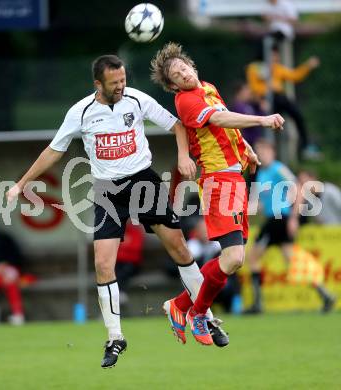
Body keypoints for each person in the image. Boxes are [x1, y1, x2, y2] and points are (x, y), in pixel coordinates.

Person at [5, 54, 225, 368]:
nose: (121, 86)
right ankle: (115, 337)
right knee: (103, 264)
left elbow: (176, 125)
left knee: (179, 248)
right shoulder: (80, 112)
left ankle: (205, 316)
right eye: (114, 83)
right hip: (108, 191)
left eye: (123, 79)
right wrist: (21, 184)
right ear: (98, 84)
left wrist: (182, 156)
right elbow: (53, 150)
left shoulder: (136, 99)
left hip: (143, 182)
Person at [150, 42, 284, 346]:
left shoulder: (208, 87)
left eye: (183, 67)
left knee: (234, 259)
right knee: (234, 256)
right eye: (175, 74)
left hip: (235, 178)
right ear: (172, 86)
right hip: (217, 182)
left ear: (192, 67)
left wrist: (244, 147)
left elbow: (223, 122)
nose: (182, 73)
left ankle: (181, 306)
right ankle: (197, 313)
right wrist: (261, 121)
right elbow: (220, 119)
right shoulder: (185, 101)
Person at [244, 138, 335, 314]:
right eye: (258, 150)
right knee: (292, 261)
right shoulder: (262, 174)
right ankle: (325, 295)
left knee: (253, 257)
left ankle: (257, 304)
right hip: (276, 220)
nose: (260, 153)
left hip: (280, 220)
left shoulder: (278, 168)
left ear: (272, 152)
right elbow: (263, 204)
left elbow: (299, 187)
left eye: (264, 150)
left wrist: (294, 217)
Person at [246, 44, 320, 157]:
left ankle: (305, 146)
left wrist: (307, 66)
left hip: (279, 98)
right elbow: (254, 87)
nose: (277, 57)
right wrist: (261, 98)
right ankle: (258, 152)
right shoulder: (254, 67)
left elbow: (295, 76)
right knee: (263, 127)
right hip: (264, 99)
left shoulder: (277, 67)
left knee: (298, 115)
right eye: (274, 54)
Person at [230, 82, 265, 147]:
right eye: (246, 91)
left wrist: (260, 108)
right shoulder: (237, 107)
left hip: (253, 141)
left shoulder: (248, 105)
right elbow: (250, 120)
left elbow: (258, 117)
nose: (249, 93)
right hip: (245, 141)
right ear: (239, 92)